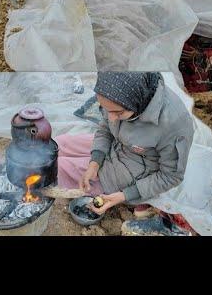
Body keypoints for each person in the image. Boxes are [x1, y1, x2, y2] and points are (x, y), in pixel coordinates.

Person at [56, 72, 195, 221]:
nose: (111, 118)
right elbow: (105, 128)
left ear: (136, 102)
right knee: (58, 145)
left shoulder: (174, 123)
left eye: (118, 112)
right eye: (106, 110)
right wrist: (95, 162)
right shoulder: (117, 95)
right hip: (119, 143)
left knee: (58, 167)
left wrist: (125, 195)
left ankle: (140, 203)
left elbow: (171, 176)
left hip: (137, 168)